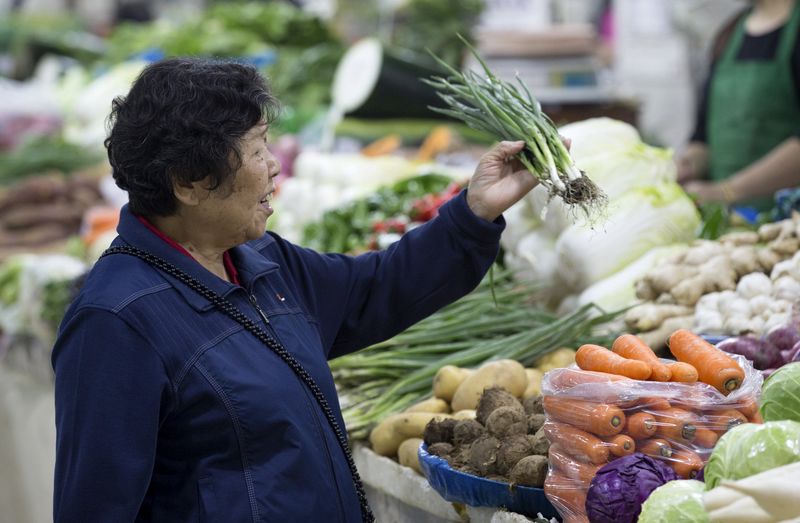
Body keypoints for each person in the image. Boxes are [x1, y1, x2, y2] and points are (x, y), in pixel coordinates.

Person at [51, 57, 542, 522]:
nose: (274, 166)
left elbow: (376, 288)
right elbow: (96, 509)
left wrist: (473, 213)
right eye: (257, 148)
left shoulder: (261, 262)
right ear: (189, 182)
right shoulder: (115, 323)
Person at [678, 0, 800, 211]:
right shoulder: (729, 34)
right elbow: (702, 137)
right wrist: (686, 166)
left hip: (787, 224)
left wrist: (727, 191)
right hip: (729, 222)